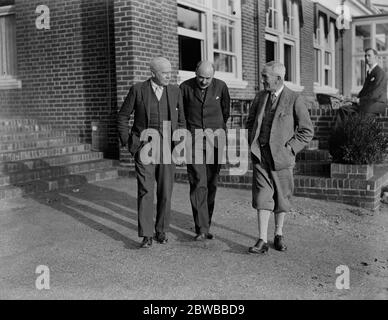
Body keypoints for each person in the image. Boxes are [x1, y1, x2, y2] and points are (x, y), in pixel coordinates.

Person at [246, 61, 314, 254]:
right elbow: (250, 121)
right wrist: (252, 141)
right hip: (261, 154)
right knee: (262, 196)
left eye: (265, 77)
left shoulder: (294, 98)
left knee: (281, 197)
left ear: (278, 78)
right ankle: (261, 240)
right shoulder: (260, 97)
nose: (262, 80)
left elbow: (306, 131)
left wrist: (290, 149)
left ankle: (278, 234)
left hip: (282, 159)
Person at [117, 57, 186, 248]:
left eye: (169, 72)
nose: (168, 76)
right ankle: (147, 234)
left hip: (168, 149)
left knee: (165, 192)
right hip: (145, 148)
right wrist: (130, 144)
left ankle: (161, 230)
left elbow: (181, 121)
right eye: (164, 73)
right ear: (153, 73)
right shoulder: (138, 90)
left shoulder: (174, 91)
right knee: (146, 190)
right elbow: (123, 117)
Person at [180, 61, 230, 241]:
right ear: (195, 72)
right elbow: (182, 115)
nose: (203, 81)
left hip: (215, 140)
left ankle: (206, 221)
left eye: (208, 78)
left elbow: (226, 112)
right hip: (193, 140)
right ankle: (201, 227)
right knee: (198, 182)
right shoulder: (185, 87)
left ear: (213, 76)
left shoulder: (221, 87)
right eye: (201, 77)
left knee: (211, 183)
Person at [335, 48, 387, 127]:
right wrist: (352, 100)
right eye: (365, 56)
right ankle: (338, 137)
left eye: (369, 56)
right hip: (367, 103)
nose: (366, 58)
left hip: (374, 105)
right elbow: (364, 91)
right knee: (343, 110)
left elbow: (375, 94)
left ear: (376, 57)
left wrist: (359, 100)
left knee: (357, 117)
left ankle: (342, 137)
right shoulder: (370, 72)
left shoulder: (380, 73)